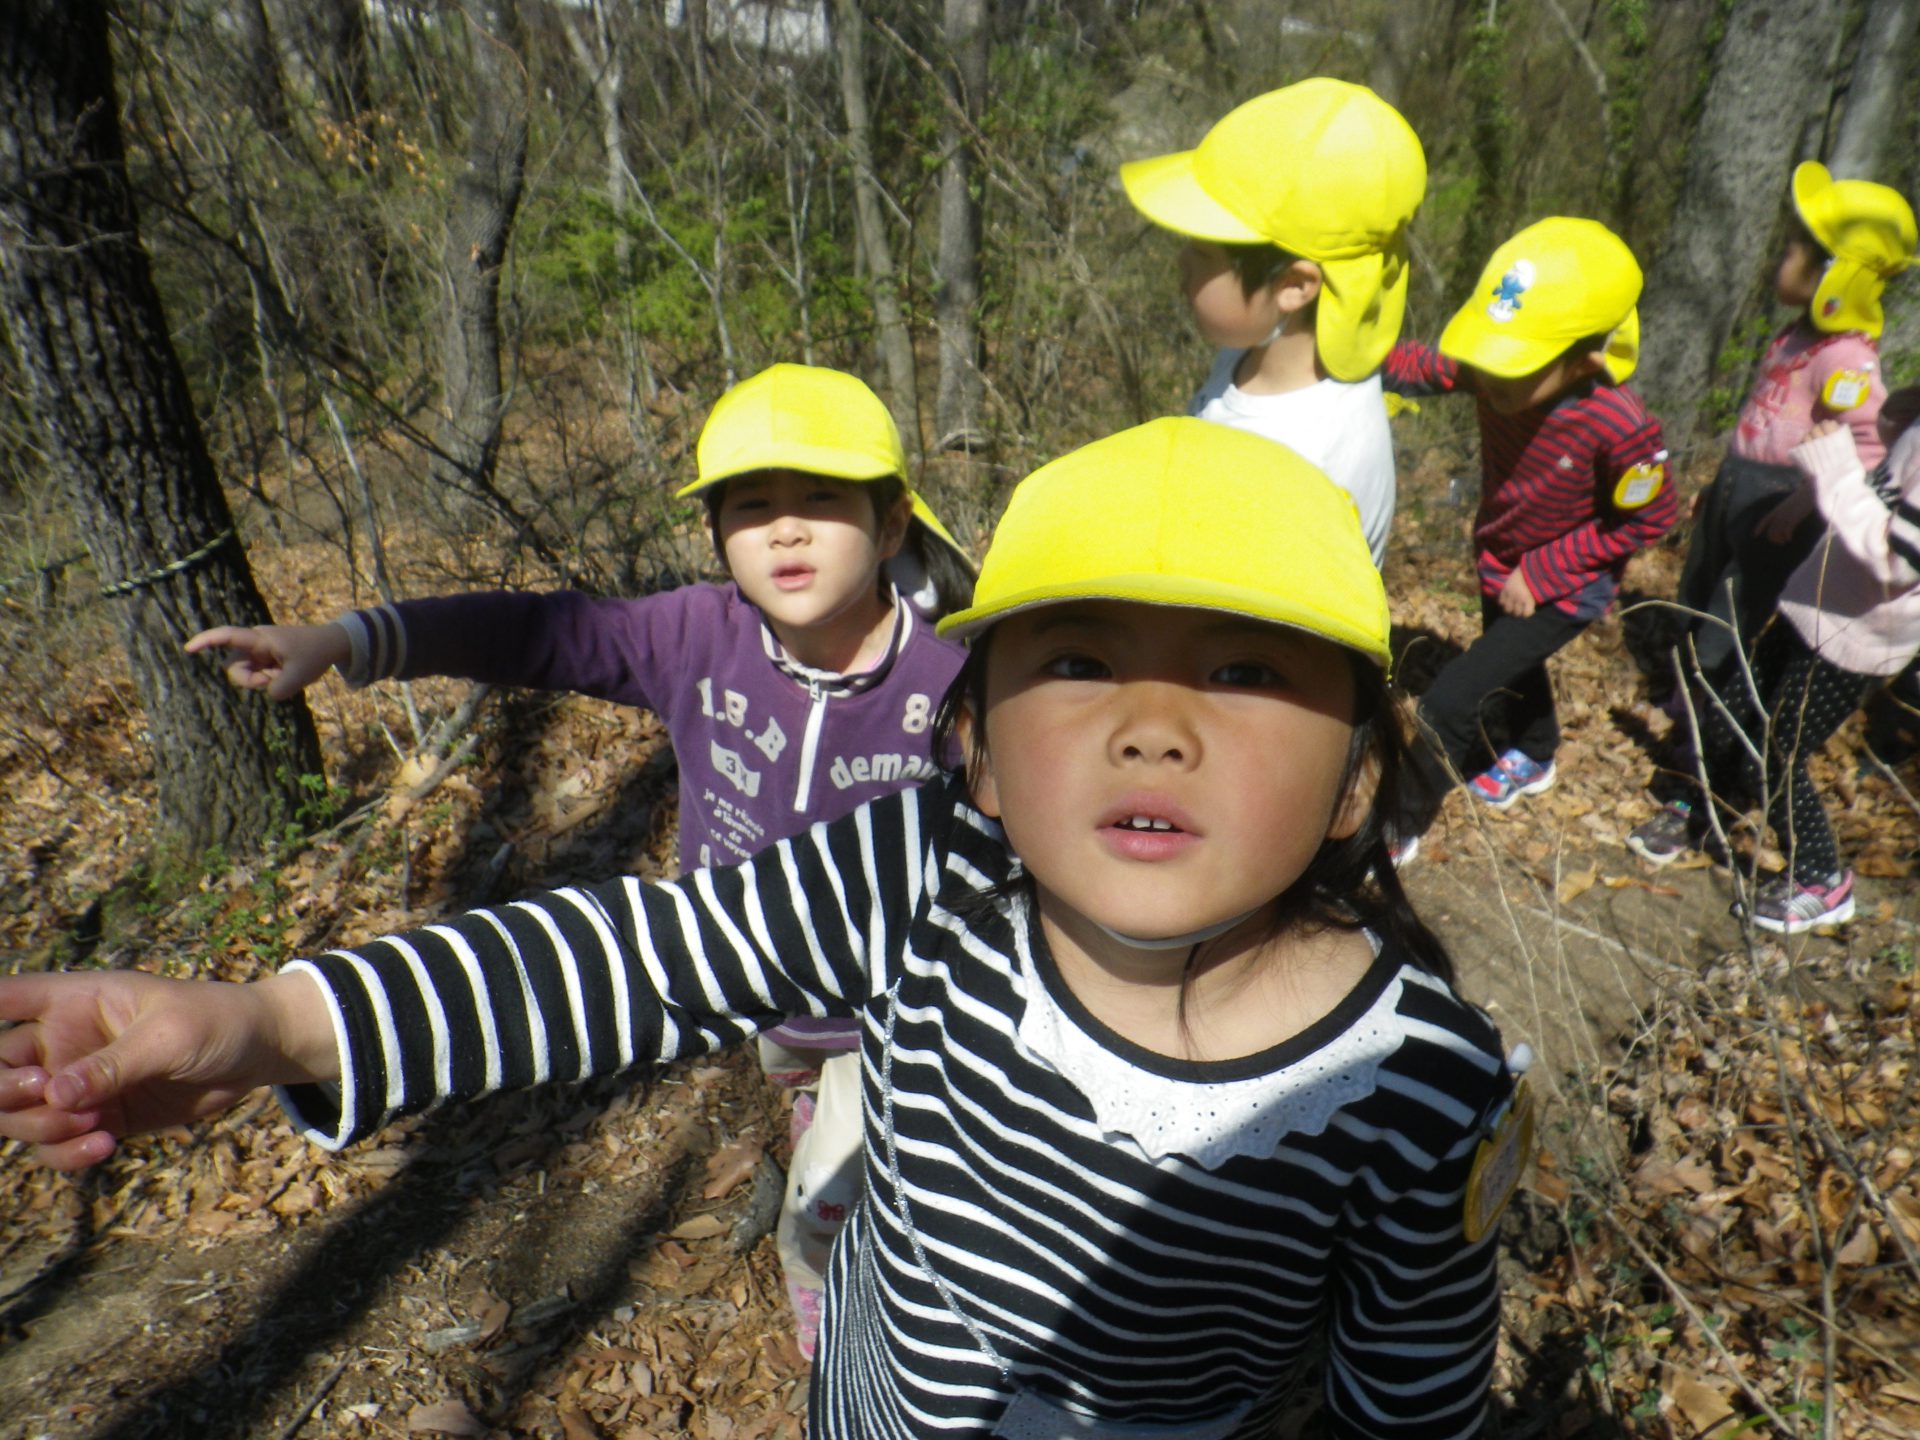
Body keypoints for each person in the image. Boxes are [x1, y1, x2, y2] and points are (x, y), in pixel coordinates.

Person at [2, 419, 1530, 1440]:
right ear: (979, 749)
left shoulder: (1414, 1086)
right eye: (1076, 660)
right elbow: (640, 959)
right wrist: (279, 1025)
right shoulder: (925, 872)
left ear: (1360, 778)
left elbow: (1411, 1397)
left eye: (1247, 674)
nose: (1151, 726)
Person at [186, 361, 974, 1358]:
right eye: (751, 506)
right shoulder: (697, 637)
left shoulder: (953, 681)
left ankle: (835, 1314)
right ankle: (811, 1107)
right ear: (717, 534)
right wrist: (344, 641)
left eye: (821, 500)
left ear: (892, 524)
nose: (784, 530)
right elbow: (536, 633)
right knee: (802, 1087)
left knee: (835, 1194)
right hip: (748, 978)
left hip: (894, 1001)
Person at [1382, 218, 1678, 851]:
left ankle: (1398, 825)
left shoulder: (1619, 423)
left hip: (1566, 587)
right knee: (1514, 662)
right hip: (1500, 558)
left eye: (1512, 366)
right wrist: (1349, 357)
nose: (1490, 378)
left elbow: (1648, 517)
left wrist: (1541, 573)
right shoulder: (1496, 372)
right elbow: (1425, 367)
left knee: (1451, 697)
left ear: (1585, 359)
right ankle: (1536, 751)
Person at [1622, 394, 1920, 933]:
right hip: (1815, 601)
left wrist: (1833, 469)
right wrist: (1812, 493)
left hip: (1856, 637)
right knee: (1730, 709)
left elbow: (1895, 562)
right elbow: (1880, 481)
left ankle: (1820, 877)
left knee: (1776, 752)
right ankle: (1705, 807)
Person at [1120, 77, 1426, 566]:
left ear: (1295, 287)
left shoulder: (1314, 463)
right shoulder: (1250, 354)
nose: (1181, 263)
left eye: (1203, 253)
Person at [1665, 163, 1915, 691]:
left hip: (1781, 499)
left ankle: (1705, 705)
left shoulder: (1847, 358)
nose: (1779, 258)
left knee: (1734, 605)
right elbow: (1762, 419)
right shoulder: (1793, 336)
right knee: (1699, 584)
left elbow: (1869, 444)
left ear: (1834, 274)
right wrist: (1720, 486)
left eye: (1791, 252)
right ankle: (1679, 686)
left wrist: (1804, 501)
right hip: (1739, 481)